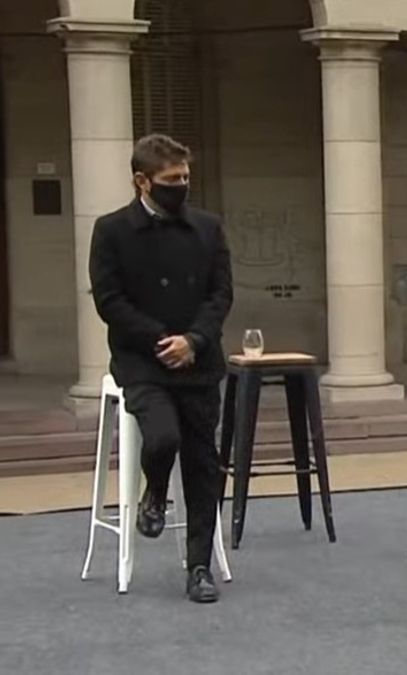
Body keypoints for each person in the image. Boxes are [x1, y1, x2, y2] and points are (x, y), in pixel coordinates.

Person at [89, 134, 233, 602]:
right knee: (163, 436)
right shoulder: (111, 231)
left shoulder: (208, 228)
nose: (182, 186)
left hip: (198, 359)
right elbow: (110, 301)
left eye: (186, 178)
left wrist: (193, 340)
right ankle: (154, 492)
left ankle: (199, 567)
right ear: (142, 181)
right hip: (142, 360)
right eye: (171, 180)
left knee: (202, 464)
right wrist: (160, 342)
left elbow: (221, 294)